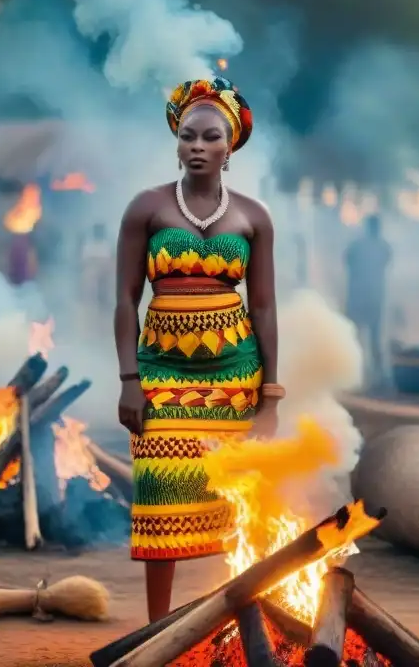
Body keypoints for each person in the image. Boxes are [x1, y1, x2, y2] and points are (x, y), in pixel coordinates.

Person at [114, 76, 282, 622]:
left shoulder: (254, 217)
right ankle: (157, 628)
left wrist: (270, 395)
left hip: (236, 380)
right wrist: (129, 381)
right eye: (188, 136)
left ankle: (245, 624)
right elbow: (123, 300)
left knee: (240, 506)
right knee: (161, 499)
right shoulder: (147, 207)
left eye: (210, 137)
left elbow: (263, 308)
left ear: (229, 146)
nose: (197, 147)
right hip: (161, 376)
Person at [344, 214, 392, 389]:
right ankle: (372, 376)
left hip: (359, 295)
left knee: (360, 337)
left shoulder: (356, 246)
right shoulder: (383, 246)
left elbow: (348, 263)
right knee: (373, 338)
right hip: (373, 297)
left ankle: (358, 375)